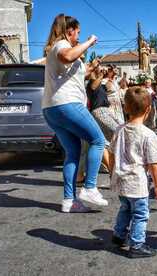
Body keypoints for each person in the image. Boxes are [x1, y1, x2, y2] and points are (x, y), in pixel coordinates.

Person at [42, 14, 108, 212]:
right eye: (78, 32)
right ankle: (89, 187)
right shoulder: (61, 44)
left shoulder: (58, 48)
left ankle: (69, 201)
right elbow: (68, 56)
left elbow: (74, 71)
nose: (79, 36)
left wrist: (91, 68)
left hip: (51, 108)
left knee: (73, 152)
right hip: (67, 104)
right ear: (69, 30)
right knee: (98, 141)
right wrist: (89, 41)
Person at [109, 87, 157, 258]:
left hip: (120, 179)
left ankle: (119, 235)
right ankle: (137, 245)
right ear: (148, 109)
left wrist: (112, 173)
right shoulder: (148, 135)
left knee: (125, 208)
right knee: (140, 214)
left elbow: (111, 154)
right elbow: (153, 163)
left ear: (125, 108)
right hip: (137, 183)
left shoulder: (119, 129)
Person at [88, 65, 125, 177]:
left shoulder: (102, 82)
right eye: (100, 68)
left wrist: (113, 75)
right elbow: (94, 87)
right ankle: (111, 167)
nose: (104, 70)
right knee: (117, 132)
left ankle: (112, 165)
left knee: (118, 131)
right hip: (98, 111)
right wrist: (101, 75)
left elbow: (116, 86)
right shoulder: (92, 82)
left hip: (107, 110)